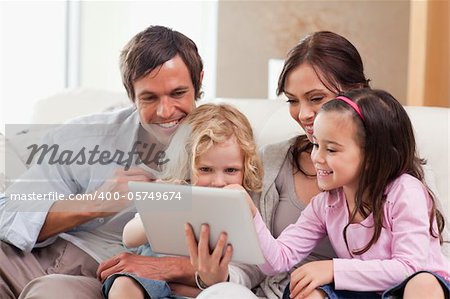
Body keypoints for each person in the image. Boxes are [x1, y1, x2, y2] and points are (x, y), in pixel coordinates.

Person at [0, 25, 204, 298]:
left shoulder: (221, 147)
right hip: (30, 257)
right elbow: (9, 211)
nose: (165, 111)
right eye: (149, 97)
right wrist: (95, 204)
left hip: (106, 276)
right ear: (131, 94)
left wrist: (165, 266)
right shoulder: (86, 136)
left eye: (178, 93)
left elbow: (249, 258)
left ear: (199, 81)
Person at [185, 31, 371, 298]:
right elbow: (261, 263)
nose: (304, 114)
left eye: (316, 98)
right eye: (293, 101)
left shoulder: (396, 170)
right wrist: (219, 277)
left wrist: (333, 270)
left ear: (357, 92)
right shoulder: (272, 161)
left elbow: (423, 265)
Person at [248, 88, 449, 299]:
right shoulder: (325, 204)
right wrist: (250, 215)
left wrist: (333, 269)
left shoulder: (405, 191)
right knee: (308, 292)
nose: (317, 157)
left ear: (373, 155)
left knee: (423, 283)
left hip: (413, 289)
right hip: (365, 292)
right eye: (316, 144)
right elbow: (277, 260)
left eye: (332, 149)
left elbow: (408, 268)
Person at [102, 103, 264, 299]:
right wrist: (159, 210)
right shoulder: (174, 190)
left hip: (200, 286)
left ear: (246, 168)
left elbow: (249, 268)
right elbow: (129, 238)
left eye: (231, 170)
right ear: (187, 164)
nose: (219, 182)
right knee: (123, 284)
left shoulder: (240, 206)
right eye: (205, 169)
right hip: (148, 279)